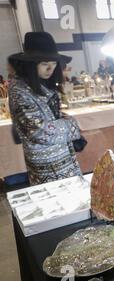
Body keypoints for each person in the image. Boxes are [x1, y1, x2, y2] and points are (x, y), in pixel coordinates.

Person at [8, 32, 82, 185]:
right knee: (58, 202)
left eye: (54, 64)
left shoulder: (40, 83)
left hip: (60, 158)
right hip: (46, 164)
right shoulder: (19, 90)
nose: (50, 69)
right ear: (30, 64)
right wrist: (72, 125)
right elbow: (39, 131)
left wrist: (62, 117)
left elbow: (48, 115)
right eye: (44, 64)